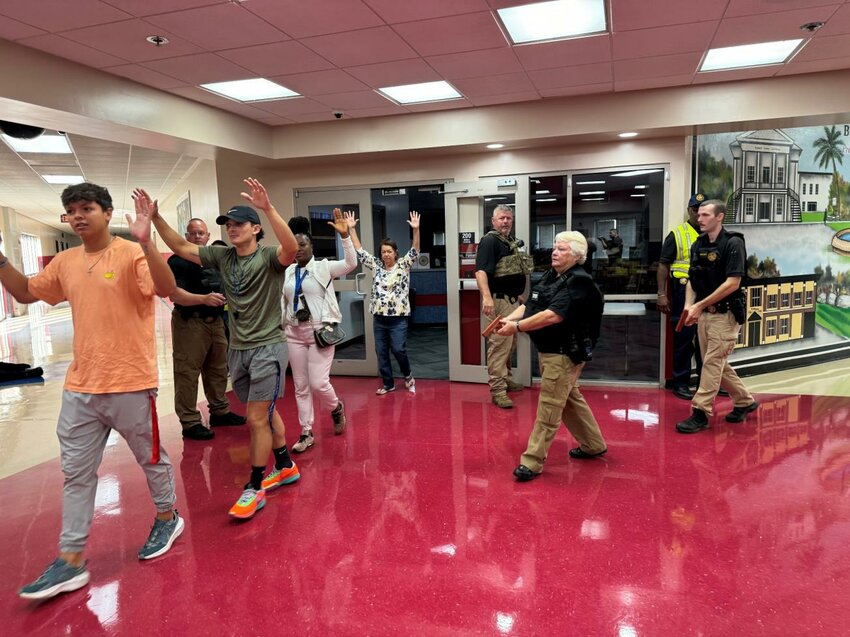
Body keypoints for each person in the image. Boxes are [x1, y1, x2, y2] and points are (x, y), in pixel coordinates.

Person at [2, 182, 182, 601]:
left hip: (131, 382)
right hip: (81, 387)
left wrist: (147, 241)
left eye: (86, 208)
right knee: (76, 474)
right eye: (71, 211)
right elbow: (26, 292)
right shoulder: (65, 261)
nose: (78, 216)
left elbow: (166, 288)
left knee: (151, 459)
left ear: (106, 212)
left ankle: (167, 516)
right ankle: (71, 559)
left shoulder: (130, 252)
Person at [143, 178, 299, 520]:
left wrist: (268, 208)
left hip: (268, 348)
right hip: (238, 348)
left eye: (239, 224)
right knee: (266, 410)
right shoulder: (223, 257)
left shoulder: (269, 257)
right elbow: (182, 248)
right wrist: (155, 219)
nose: (232, 229)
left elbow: (290, 250)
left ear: (255, 229)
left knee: (257, 419)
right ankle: (286, 465)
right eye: (228, 225)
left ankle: (254, 486)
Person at [495, 232, 607, 481]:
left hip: (565, 352)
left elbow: (552, 315)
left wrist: (517, 328)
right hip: (549, 351)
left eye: (562, 249)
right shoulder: (550, 276)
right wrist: (510, 318)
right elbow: (532, 306)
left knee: (549, 407)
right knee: (568, 399)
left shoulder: (579, 281)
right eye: (555, 247)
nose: (555, 252)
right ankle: (594, 444)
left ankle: (532, 461)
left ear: (577, 256)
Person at [676, 200, 759, 434]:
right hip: (704, 315)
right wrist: (689, 307)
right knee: (717, 363)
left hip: (726, 315)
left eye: (704, 215)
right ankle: (745, 401)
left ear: (719, 217)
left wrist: (700, 305)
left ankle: (700, 413)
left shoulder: (733, 243)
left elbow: (733, 283)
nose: (699, 218)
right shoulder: (698, 244)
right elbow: (692, 278)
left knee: (711, 362)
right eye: (698, 214)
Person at [282, 212, 356, 453]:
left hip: (319, 332)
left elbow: (350, 264)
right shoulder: (288, 271)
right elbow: (284, 300)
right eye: (294, 246)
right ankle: (306, 432)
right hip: (294, 333)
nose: (298, 249)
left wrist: (345, 235)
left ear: (311, 246)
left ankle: (335, 408)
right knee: (300, 386)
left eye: (302, 245)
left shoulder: (324, 267)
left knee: (318, 383)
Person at [168, 218, 245, 441]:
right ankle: (190, 421)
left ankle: (220, 411)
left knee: (218, 369)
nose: (198, 237)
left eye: (202, 233)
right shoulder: (177, 261)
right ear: (187, 237)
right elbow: (174, 294)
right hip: (190, 322)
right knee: (187, 372)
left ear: (208, 236)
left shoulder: (217, 260)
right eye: (193, 233)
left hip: (216, 321)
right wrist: (204, 298)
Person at [345, 210, 420, 395]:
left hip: (397, 319)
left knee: (398, 349)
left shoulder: (403, 265)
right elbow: (360, 252)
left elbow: (415, 251)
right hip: (379, 317)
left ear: (395, 253)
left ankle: (408, 374)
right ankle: (388, 383)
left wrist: (416, 230)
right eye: (383, 252)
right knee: (381, 351)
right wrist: (351, 229)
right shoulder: (376, 266)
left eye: (389, 251)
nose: (386, 254)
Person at [475, 204, 531, 409]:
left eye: (509, 218)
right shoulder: (489, 241)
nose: (506, 221)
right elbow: (481, 272)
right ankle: (498, 390)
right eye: (502, 218)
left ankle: (505, 378)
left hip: (512, 301)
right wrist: (487, 297)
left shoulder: (510, 243)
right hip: (498, 302)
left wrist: (518, 297)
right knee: (499, 345)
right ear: (493, 221)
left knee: (511, 343)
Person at [657, 193, 703, 400]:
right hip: (683, 294)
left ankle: (707, 384)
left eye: (702, 210)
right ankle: (681, 383)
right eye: (695, 209)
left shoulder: (715, 234)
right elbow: (663, 265)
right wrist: (661, 294)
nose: (698, 213)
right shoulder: (677, 234)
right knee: (684, 341)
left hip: (707, 296)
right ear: (689, 210)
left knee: (708, 344)